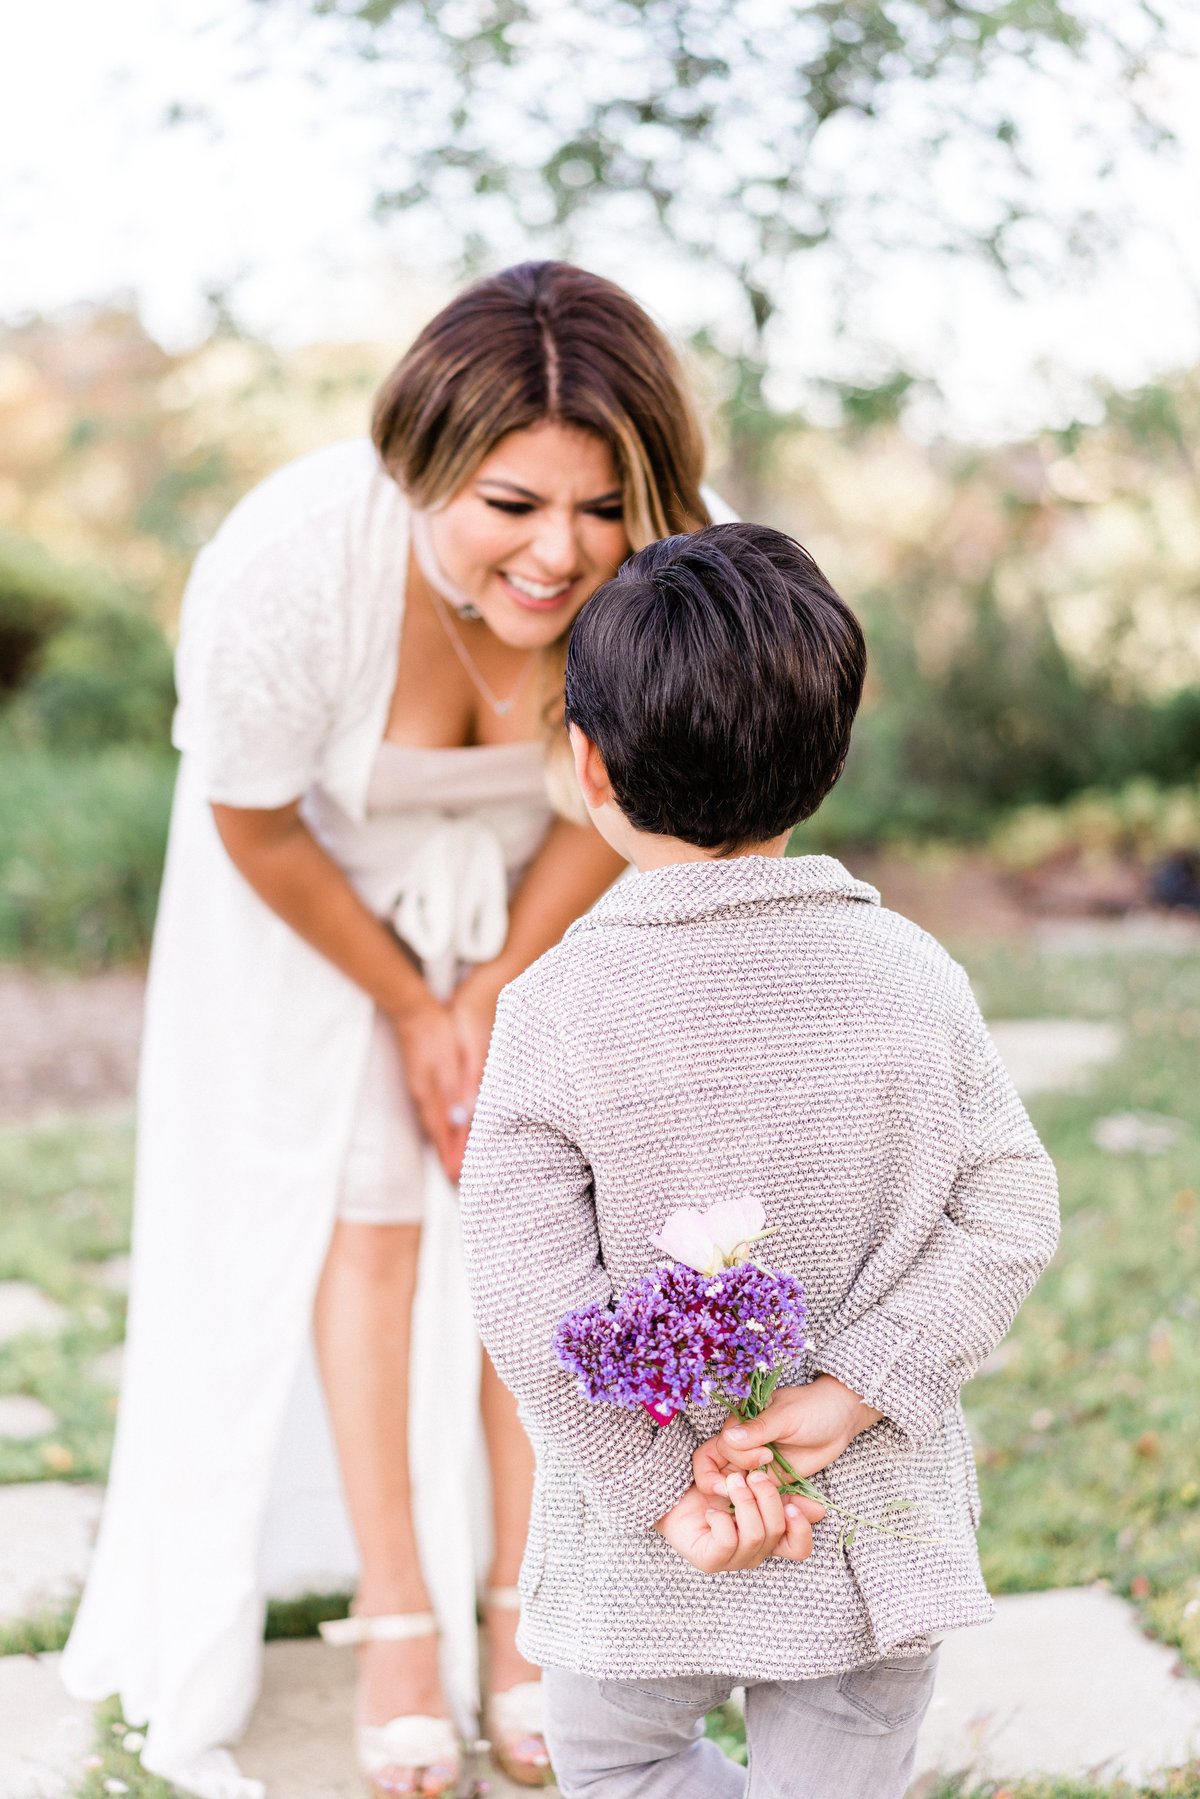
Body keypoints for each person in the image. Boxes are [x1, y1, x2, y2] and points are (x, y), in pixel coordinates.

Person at [61, 262, 735, 1799]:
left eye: (600, 505)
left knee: (544, 1231)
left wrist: (497, 982)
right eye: (508, 504)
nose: (560, 552)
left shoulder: (673, 558)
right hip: (312, 901)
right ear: (419, 465)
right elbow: (256, 822)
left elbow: (629, 787)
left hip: (556, 892)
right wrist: (412, 1002)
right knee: (367, 1220)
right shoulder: (290, 564)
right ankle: (397, 1618)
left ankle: (531, 1617)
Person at [460, 523, 1061, 1799]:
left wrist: (662, 1482)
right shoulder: (911, 975)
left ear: (588, 765)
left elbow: (522, 1294)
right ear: (827, 760)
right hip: (868, 1519)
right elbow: (1011, 1203)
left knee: (617, 1763)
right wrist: (852, 1388)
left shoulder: (555, 1006)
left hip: (651, 1546)